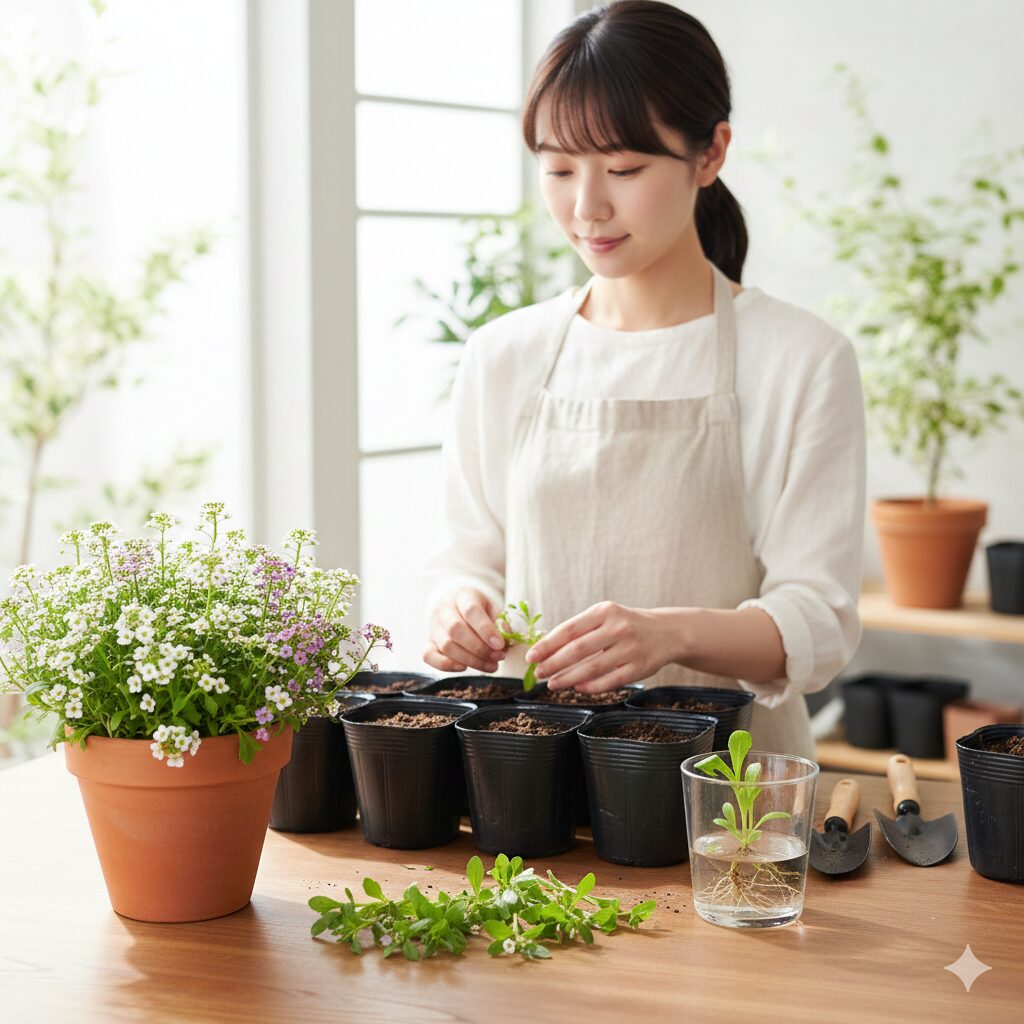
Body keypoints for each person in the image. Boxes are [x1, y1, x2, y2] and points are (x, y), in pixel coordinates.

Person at [420, 0, 865, 759]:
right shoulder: (503, 354)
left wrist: (671, 633)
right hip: (532, 783)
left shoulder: (801, 357)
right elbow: (470, 558)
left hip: (734, 803)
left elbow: (819, 622)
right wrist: (462, 607)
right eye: (558, 169)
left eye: (624, 169)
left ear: (711, 153)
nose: (587, 207)